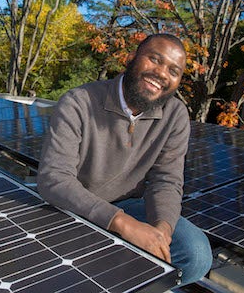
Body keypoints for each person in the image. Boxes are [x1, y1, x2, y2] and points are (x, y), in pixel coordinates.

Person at [37, 33, 212, 286]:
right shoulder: (78, 102)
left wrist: (162, 232)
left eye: (174, 71)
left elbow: (166, 181)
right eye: (155, 59)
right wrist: (123, 224)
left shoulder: (175, 115)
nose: (162, 73)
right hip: (75, 208)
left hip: (130, 205)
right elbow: (54, 179)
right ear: (131, 58)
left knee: (196, 254)